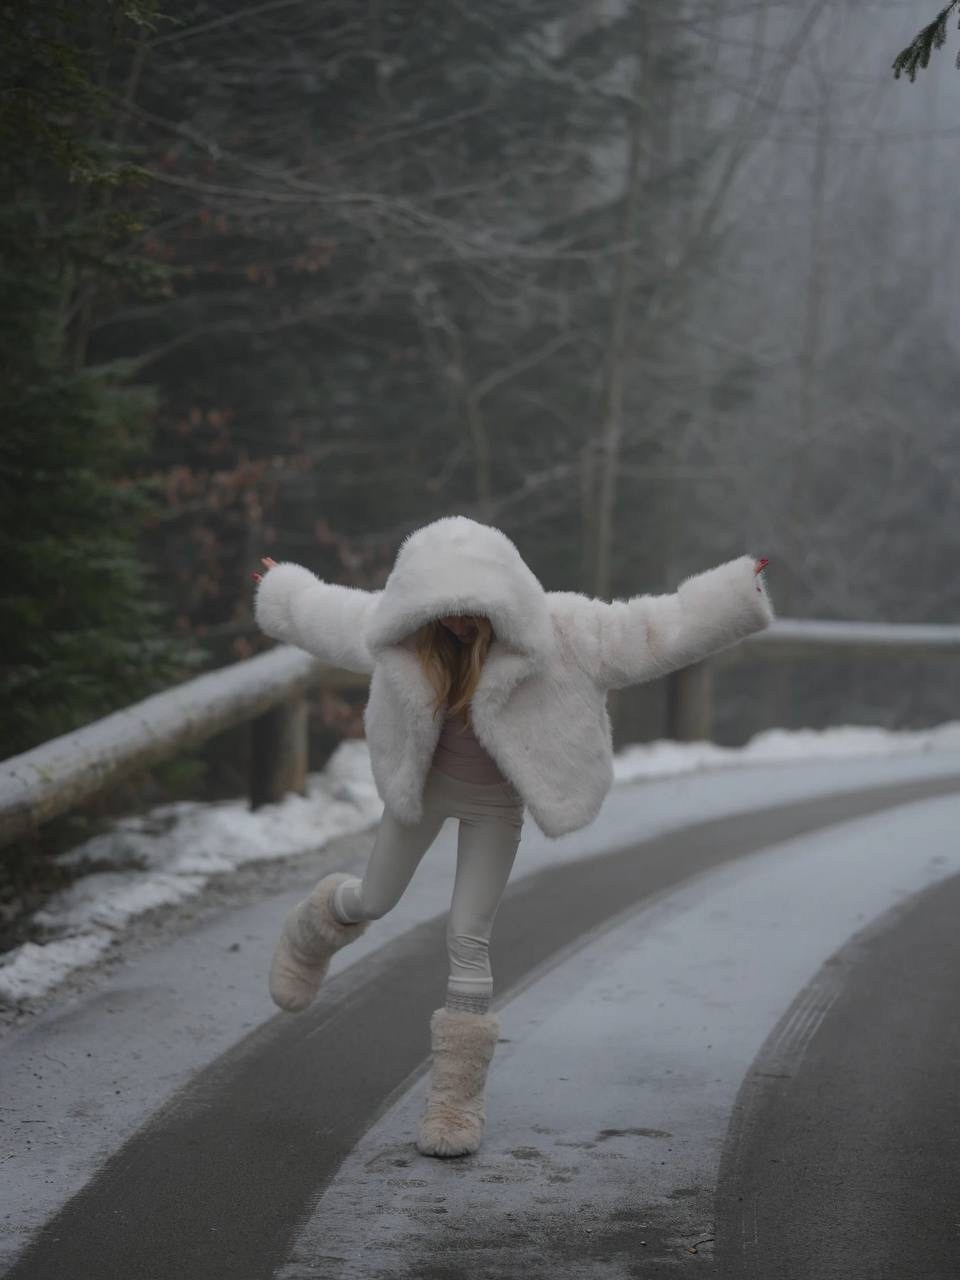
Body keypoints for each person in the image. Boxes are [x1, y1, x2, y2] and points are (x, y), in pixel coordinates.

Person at [251, 514, 773, 1158]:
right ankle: (311, 934)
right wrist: (284, 591)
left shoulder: (562, 633)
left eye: (471, 611)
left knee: (467, 935)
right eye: (446, 611)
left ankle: (455, 1104)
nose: (459, 625)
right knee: (373, 900)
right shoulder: (404, 634)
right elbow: (328, 614)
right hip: (421, 797)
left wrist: (732, 592)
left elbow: (654, 628)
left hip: (497, 808)